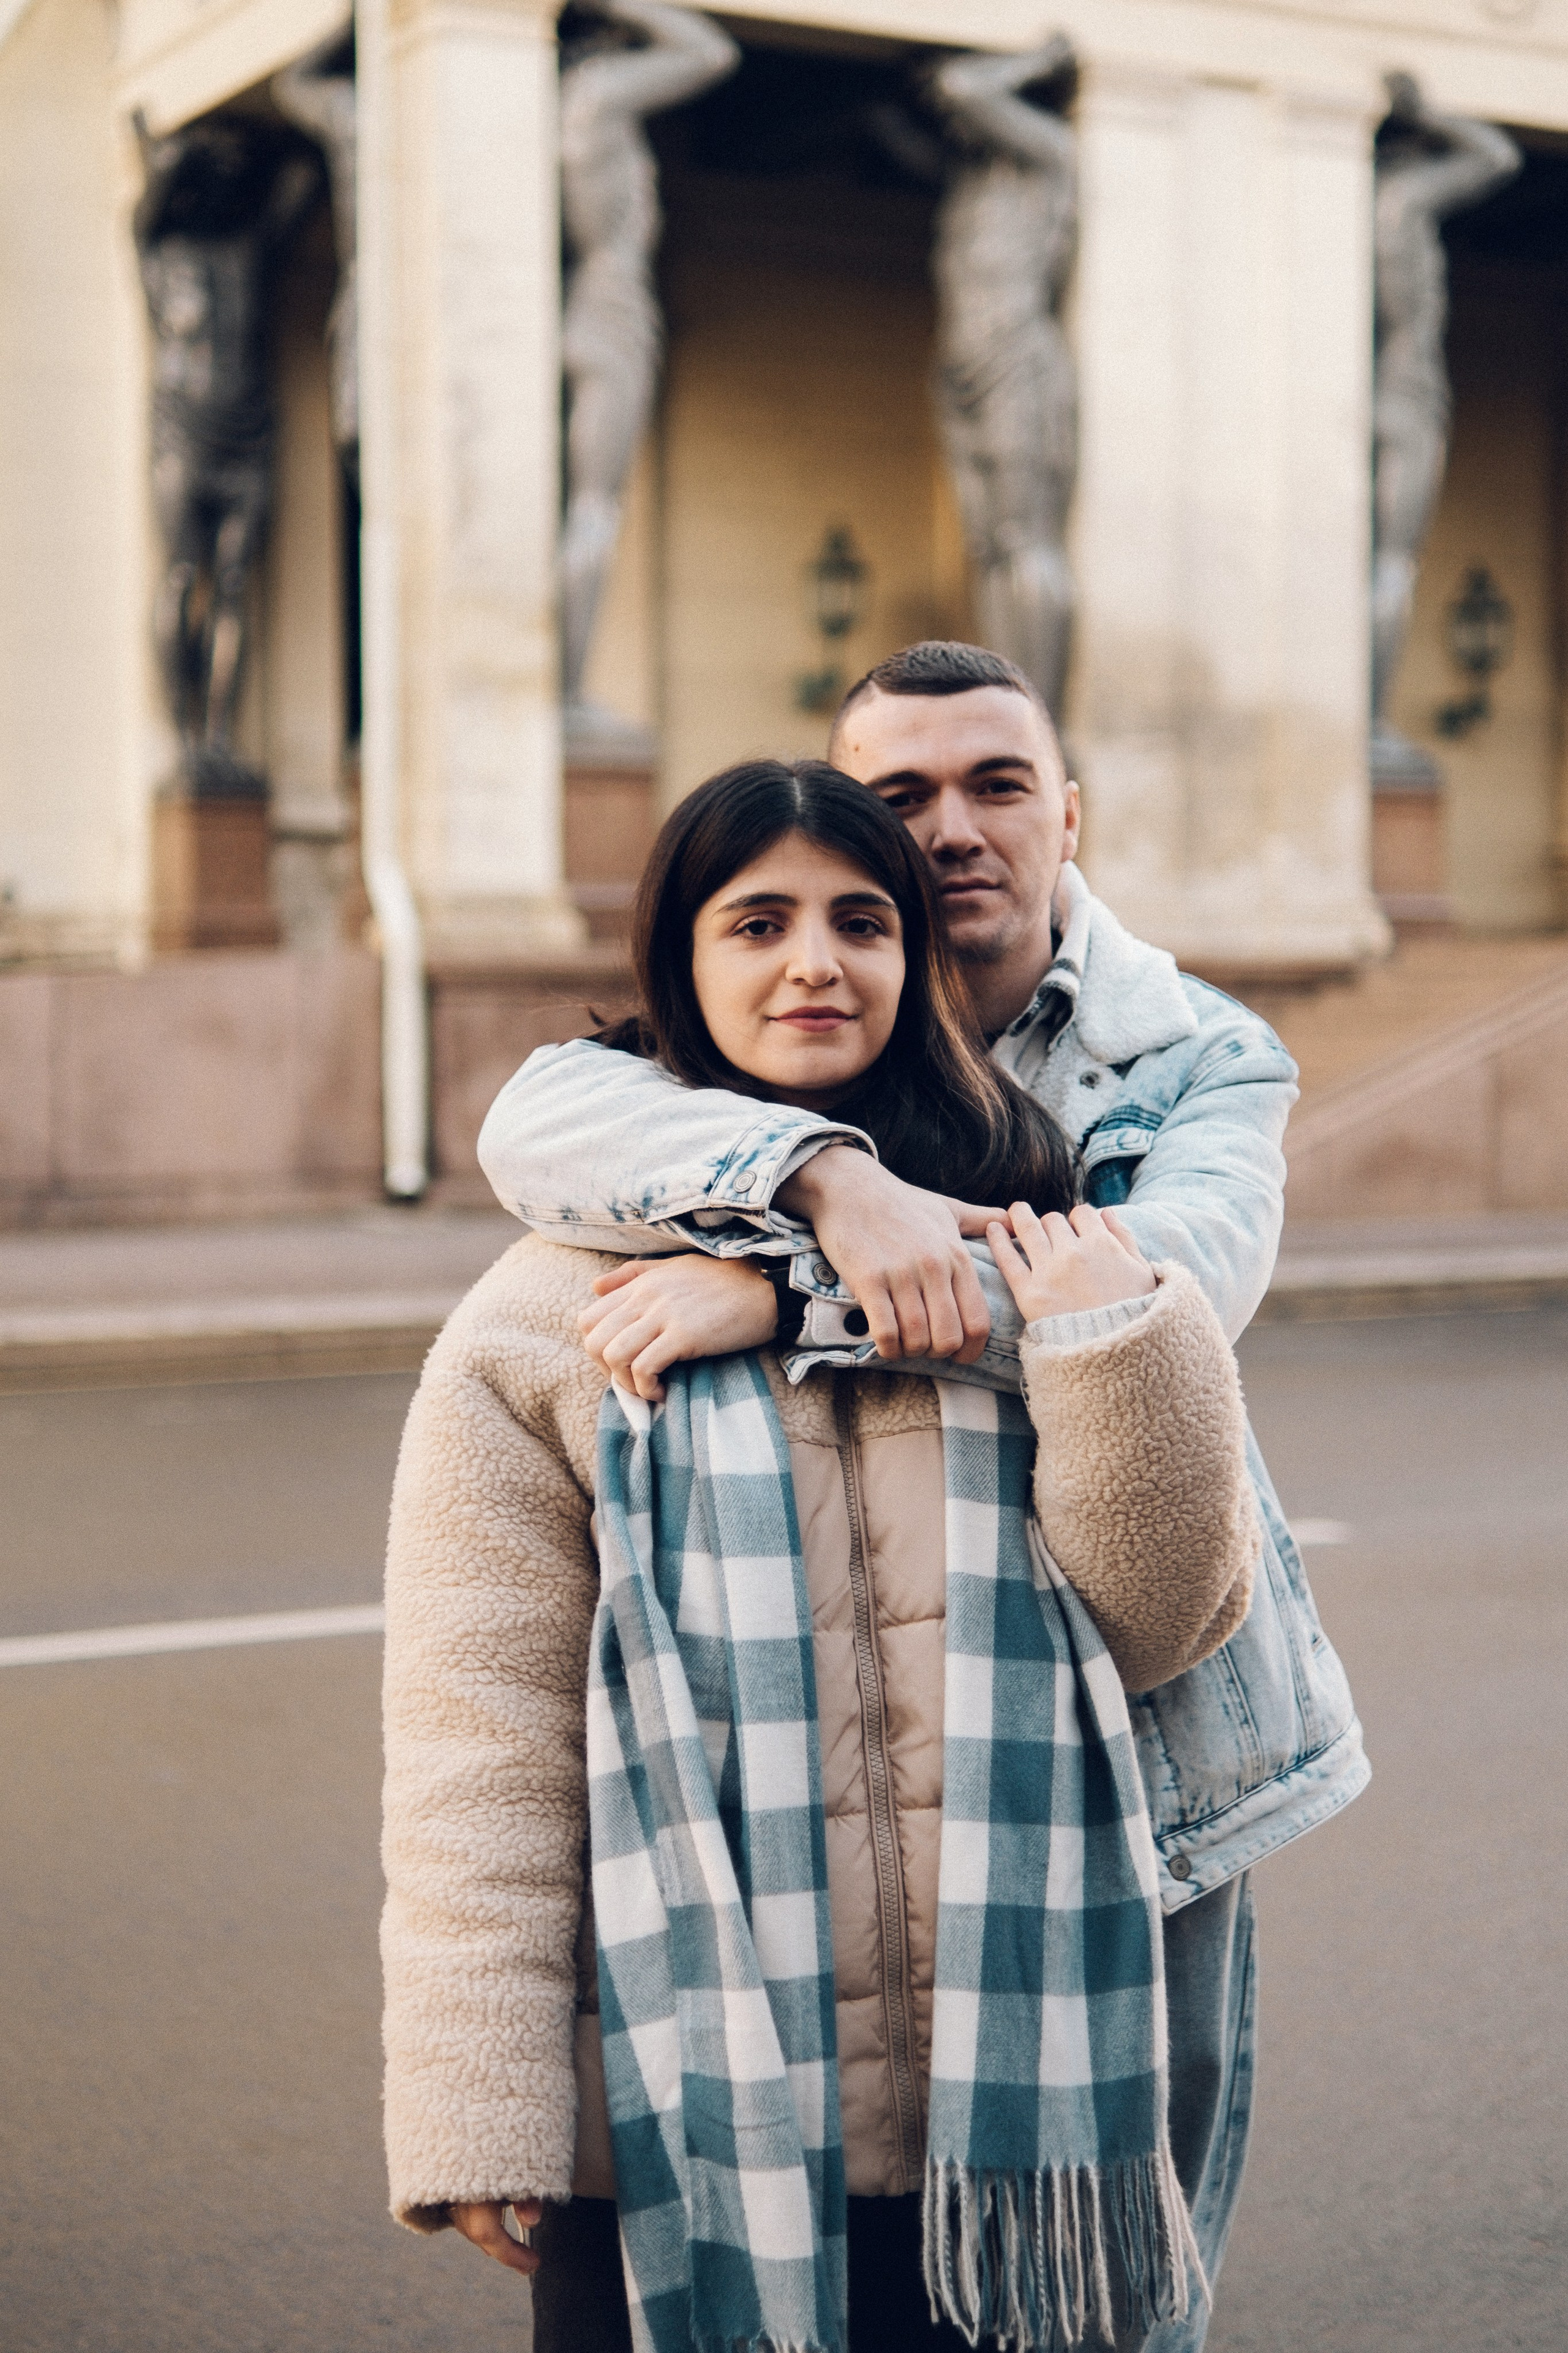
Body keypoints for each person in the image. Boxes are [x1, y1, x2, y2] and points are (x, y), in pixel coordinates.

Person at [475, 641, 1371, 2347]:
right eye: (902, 798)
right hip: (834, 1742)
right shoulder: (808, 1000)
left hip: (1148, 1708)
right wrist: (816, 1173)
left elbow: (1168, 1285)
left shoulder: (1192, 1051)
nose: (951, 827)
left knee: (1103, 2224)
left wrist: (783, 1284)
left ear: (1069, 814)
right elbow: (540, 1114)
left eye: (997, 783)